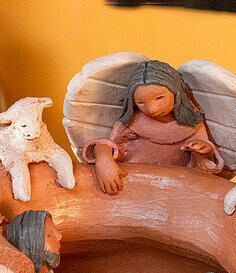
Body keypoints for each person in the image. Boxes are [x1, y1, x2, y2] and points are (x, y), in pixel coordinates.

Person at [84, 60, 223, 195]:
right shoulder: (131, 122)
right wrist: (103, 157)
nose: (151, 109)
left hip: (174, 191)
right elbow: (114, 147)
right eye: (140, 102)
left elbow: (202, 171)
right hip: (132, 185)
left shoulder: (192, 123)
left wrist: (204, 150)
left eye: (159, 98)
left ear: (176, 92)